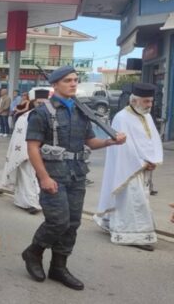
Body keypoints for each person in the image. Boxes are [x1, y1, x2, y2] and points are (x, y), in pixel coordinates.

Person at [21, 65, 126, 291]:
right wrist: (44, 178)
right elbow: (33, 148)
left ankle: (59, 266)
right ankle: (34, 251)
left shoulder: (81, 110)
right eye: (68, 80)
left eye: (75, 80)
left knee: (72, 223)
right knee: (58, 221)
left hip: (77, 174)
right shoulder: (41, 112)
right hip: (54, 175)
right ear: (55, 84)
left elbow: (90, 142)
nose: (73, 83)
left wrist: (109, 141)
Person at [93, 83, 163, 251]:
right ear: (134, 100)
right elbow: (123, 147)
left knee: (136, 199)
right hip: (128, 167)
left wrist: (154, 160)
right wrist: (142, 162)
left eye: (151, 101)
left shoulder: (146, 116)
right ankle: (132, 234)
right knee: (133, 201)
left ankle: (113, 224)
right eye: (146, 102)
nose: (149, 105)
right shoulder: (122, 117)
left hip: (143, 166)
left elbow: (153, 140)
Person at [2, 89, 50, 214]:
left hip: (46, 153)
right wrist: (26, 153)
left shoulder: (51, 115)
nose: (41, 104)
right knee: (27, 177)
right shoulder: (25, 117)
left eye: (45, 102)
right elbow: (20, 137)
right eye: (39, 102)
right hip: (27, 153)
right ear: (33, 102)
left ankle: (29, 200)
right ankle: (31, 203)